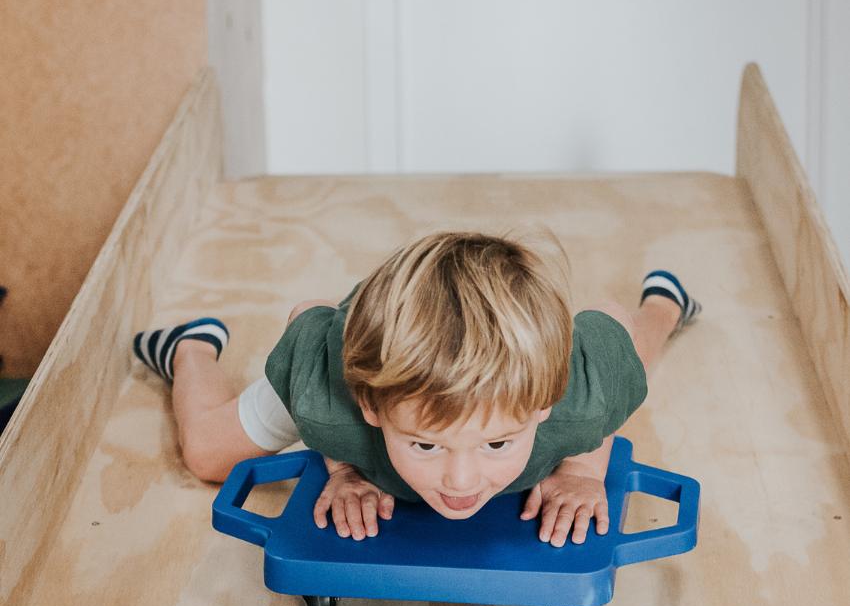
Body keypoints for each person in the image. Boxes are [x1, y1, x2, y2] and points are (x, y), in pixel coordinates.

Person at [133, 230, 699, 548]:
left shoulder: (578, 396)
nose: (460, 481)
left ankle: (665, 304)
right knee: (205, 454)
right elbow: (308, 315)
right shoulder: (328, 399)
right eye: (426, 445)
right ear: (371, 408)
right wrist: (343, 470)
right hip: (360, 351)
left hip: (553, 359)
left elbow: (601, 358)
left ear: (545, 406)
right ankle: (190, 347)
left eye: (497, 444)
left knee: (622, 334)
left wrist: (580, 473)